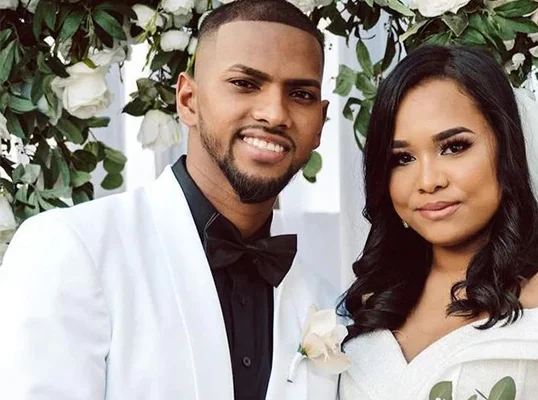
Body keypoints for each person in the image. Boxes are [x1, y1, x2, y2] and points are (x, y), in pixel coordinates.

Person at [0, 1, 342, 399]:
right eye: (245, 83)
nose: (274, 113)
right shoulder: (71, 249)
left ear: (320, 123)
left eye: (300, 93)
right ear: (187, 100)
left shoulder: (323, 301)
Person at [338, 45, 538, 400]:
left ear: (507, 148)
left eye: (453, 147)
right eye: (402, 158)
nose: (428, 180)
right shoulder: (377, 296)